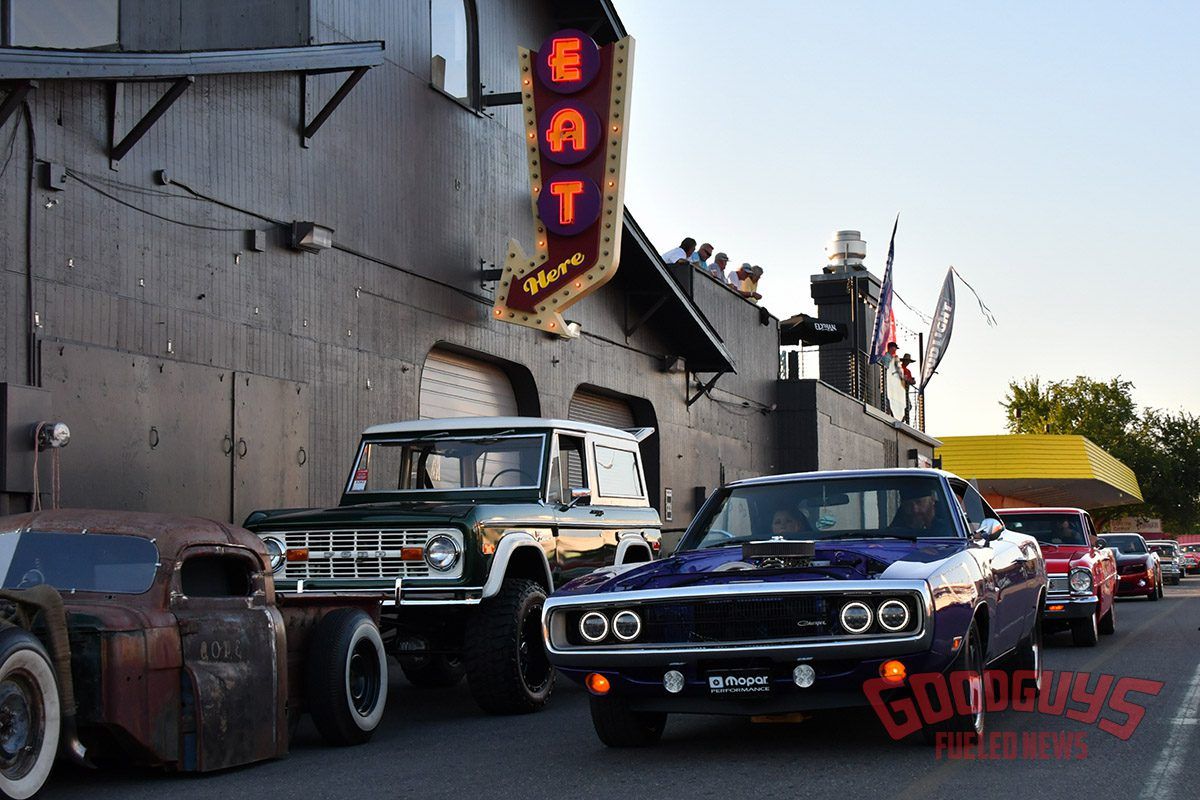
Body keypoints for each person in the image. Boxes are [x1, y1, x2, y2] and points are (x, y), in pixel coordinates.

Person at [899, 353, 917, 423]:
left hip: (905, 390)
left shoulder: (908, 371)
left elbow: (912, 381)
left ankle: (902, 419)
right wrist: (909, 380)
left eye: (908, 361)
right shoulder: (899, 368)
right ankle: (903, 420)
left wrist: (910, 380)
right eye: (906, 361)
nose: (907, 362)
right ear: (903, 361)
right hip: (900, 389)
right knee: (906, 406)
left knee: (908, 406)